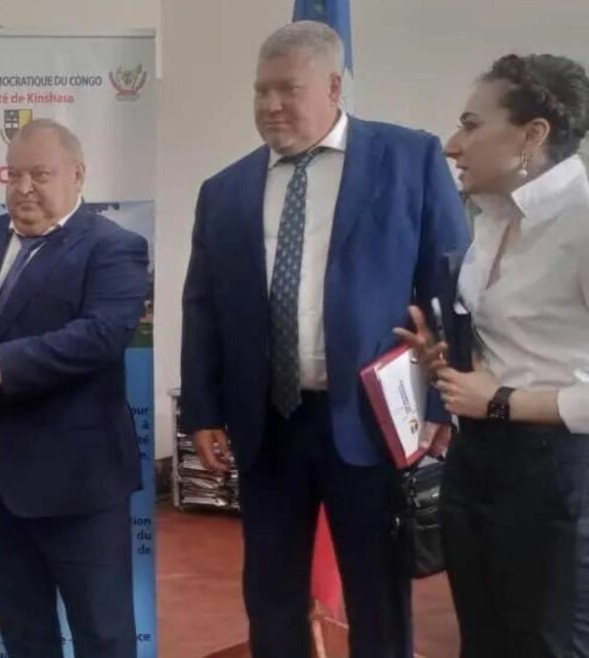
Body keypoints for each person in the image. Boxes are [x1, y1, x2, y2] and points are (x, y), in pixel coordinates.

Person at [178, 21, 470, 658]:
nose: (270, 105)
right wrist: (200, 410)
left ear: (335, 87)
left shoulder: (409, 159)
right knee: (271, 593)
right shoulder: (224, 190)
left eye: (288, 89)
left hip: (372, 421)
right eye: (261, 91)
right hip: (267, 424)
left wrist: (442, 400)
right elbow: (203, 307)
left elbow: (449, 287)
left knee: (378, 592)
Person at [0, 118, 149, 658]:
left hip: (79, 481)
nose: (23, 188)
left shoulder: (115, 247)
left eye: (40, 174)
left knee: (103, 632)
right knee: (23, 627)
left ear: (77, 174)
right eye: (13, 175)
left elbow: (100, 336)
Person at [397, 53, 589, 658]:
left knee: (547, 644)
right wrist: (446, 364)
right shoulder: (490, 219)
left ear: (533, 134)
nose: (453, 145)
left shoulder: (582, 223)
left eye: (472, 125)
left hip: (558, 474)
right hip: (477, 461)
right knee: (483, 640)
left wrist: (501, 400)